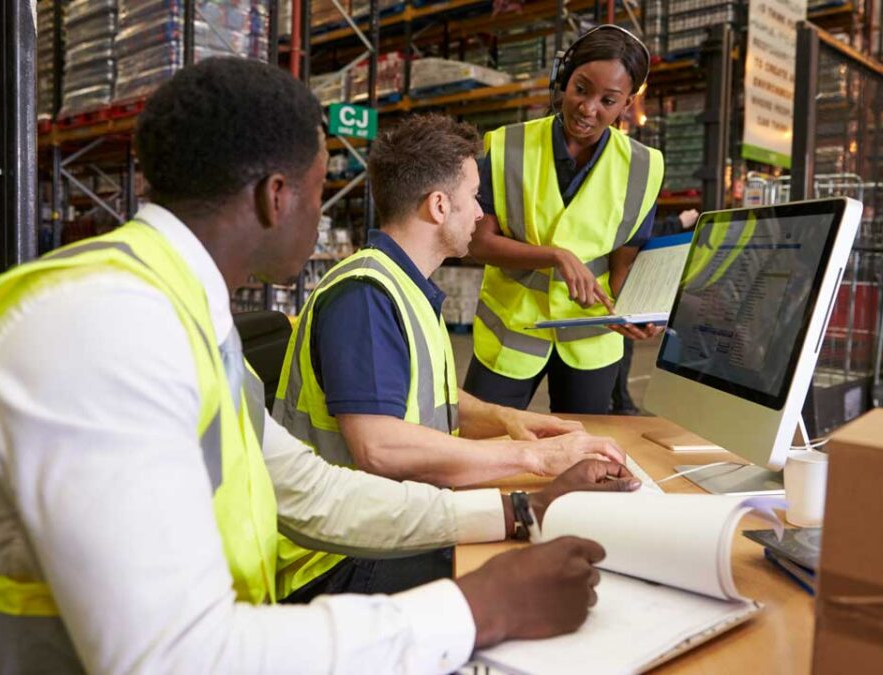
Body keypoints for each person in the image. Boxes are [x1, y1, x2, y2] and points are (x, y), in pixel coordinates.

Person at [0, 58, 642, 673]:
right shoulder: (103, 326)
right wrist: (479, 608)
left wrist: (518, 511)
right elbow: (171, 657)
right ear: (275, 197)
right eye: (320, 193)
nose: (327, 217)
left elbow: (309, 491)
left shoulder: (183, 307)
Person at [272, 113, 628, 599]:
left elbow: (426, 397)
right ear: (439, 206)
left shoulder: (402, 285)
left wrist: (507, 420)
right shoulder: (364, 296)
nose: (481, 213)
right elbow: (380, 447)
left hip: (388, 526)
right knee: (556, 562)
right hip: (339, 559)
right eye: (474, 197)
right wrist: (534, 457)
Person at [465, 25, 665, 414]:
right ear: (564, 80)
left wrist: (634, 311)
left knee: (583, 454)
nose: (589, 108)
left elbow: (623, 261)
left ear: (626, 105)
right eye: (581, 89)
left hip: (590, 338)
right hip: (512, 330)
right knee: (479, 438)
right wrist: (554, 256)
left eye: (608, 100)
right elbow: (478, 243)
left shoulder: (644, 167)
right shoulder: (506, 145)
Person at [611, 207, 702, 414]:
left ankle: (621, 402)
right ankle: (621, 404)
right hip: (612, 295)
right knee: (621, 345)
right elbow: (639, 233)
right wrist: (677, 223)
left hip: (619, 292)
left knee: (622, 347)